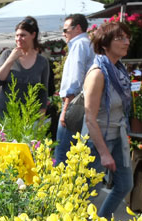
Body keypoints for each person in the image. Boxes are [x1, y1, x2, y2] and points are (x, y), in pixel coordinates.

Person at [82, 21, 133, 220]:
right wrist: (104, 153)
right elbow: (90, 118)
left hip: (117, 135)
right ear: (105, 44)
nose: (126, 42)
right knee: (89, 193)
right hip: (97, 141)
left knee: (125, 185)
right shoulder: (97, 73)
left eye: (127, 37)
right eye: (120, 38)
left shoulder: (119, 71)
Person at [53, 13, 94, 166]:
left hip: (74, 103)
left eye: (66, 30)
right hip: (81, 103)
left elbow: (75, 80)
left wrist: (65, 109)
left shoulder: (79, 44)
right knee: (72, 153)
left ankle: (60, 188)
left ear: (77, 28)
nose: (64, 34)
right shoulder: (86, 43)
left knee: (62, 153)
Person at [0, 16, 50, 119]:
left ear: (33, 35)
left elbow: (43, 93)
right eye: (16, 35)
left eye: (23, 35)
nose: (18, 39)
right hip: (4, 115)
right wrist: (10, 60)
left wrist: (41, 122)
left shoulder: (42, 62)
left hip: (28, 118)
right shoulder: (7, 54)